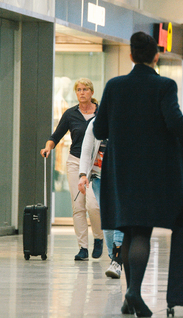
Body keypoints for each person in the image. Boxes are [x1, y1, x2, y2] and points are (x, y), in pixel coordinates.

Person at [93, 32, 183, 317]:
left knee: (127, 229)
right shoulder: (164, 86)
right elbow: (174, 120)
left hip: (119, 170)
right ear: (156, 56)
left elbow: (99, 130)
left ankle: (130, 298)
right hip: (152, 171)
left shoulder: (114, 86)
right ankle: (134, 291)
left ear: (130, 56)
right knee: (141, 231)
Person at [40, 77, 103, 261]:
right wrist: (48, 147)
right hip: (75, 162)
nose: (81, 93)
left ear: (91, 92)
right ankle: (83, 247)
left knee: (93, 206)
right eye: (79, 90)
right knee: (78, 206)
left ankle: (98, 238)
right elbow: (56, 135)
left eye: (85, 89)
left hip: (96, 164)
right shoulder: (70, 114)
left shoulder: (100, 113)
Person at [78, 117, 125, 278]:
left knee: (119, 214)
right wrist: (83, 175)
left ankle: (117, 260)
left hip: (122, 177)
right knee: (108, 218)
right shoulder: (95, 123)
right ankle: (114, 257)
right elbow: (86, 150)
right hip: (99, 177)